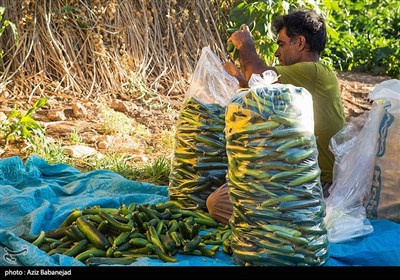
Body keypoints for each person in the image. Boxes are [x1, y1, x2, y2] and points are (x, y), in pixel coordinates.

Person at [206, 9, 346, 224]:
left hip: (314, 183)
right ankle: (282, 221)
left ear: (299, 42)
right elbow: (260, 90)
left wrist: (246, 46)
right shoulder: (300, 81)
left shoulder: (313, 71)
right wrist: (241, 80)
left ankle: (288, 225)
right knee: (226, 194)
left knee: (219, 203)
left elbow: (261, 76)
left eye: (281, 44)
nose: (277, 53)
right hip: (293, 175)